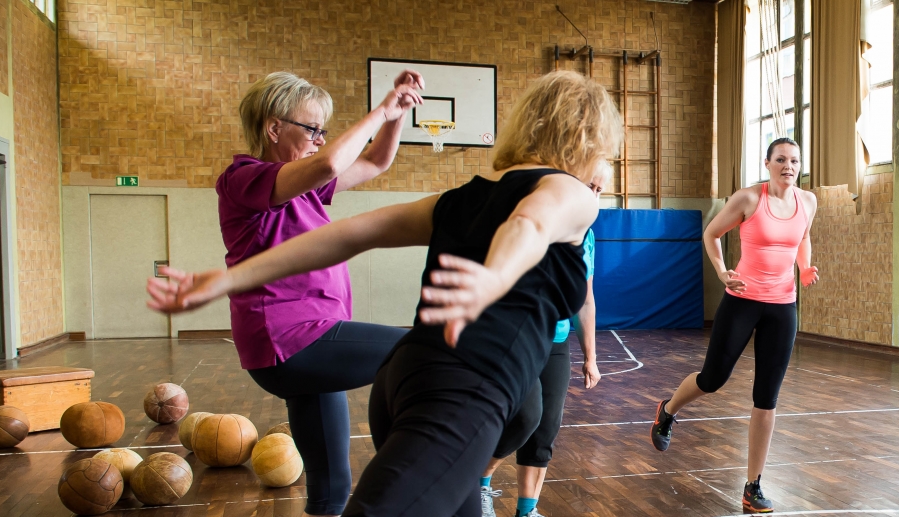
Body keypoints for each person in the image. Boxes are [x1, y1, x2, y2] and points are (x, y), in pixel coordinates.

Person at [149, 70, 621, 515]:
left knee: (355, 486)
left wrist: (229, 278)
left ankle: (470, 474)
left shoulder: (461, 196)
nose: (319, 137)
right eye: (312, 129)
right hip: (458, 391)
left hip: (405, 381)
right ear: (587, 139)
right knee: (524, 410)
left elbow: (352, 232)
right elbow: (530, 221)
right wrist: (496, 277)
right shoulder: (573, 192)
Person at [209, 69, 423, 515]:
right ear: (274, 129)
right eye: (311, 129)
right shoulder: (243, 178)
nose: (319, 140)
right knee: (421, 350)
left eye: (323, 131)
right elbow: (328, 163)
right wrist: (379, 108)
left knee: (330, 484)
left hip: (314, 338)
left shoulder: (304, 191)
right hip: (290, 341)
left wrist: (396, 113)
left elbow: (376, 162)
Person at [648, 137, 819, 514]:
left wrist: (804, 267)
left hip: (782, 307)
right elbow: (711, 234)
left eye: (794, 161)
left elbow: (802, 238)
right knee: (713, 379)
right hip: (742, 301)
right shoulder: (747, 199)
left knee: (767, 397)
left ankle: (753, 485)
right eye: (780, 160)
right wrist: (723, 272)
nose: (788, 166)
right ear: (767, 163)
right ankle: (668, 410)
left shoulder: (808, 202)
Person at [480, 216, 602, 517]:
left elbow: (585, 301)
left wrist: (591, 356)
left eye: (600, 190)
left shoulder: (586, 236)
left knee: (546, 428)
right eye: (591, 187)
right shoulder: (528, 221)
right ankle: (478, 479)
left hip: (556, 340)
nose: (594, 196)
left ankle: (527, 510)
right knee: (525, 416)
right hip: (515, 337)